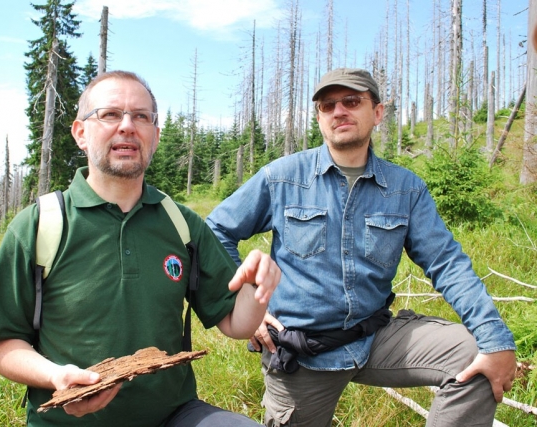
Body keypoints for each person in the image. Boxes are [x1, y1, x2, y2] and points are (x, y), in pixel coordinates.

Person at [0, 70, 281, 427]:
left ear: (156, 136)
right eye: (110, 114)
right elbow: (0, 344)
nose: (128, 126)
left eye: (142, 116)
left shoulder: (181, 224)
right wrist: (56, 376)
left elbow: (234, 323)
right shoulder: (40, 225)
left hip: (173, 415)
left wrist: (257, 286)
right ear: (81, 133)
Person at [206, 67, 517, 426]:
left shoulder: (405, 189)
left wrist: (496, 339)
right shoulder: (282, 177)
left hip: (374, 337)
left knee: (478, 352)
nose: (339, 111)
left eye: (352, 101)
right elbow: (215, 230)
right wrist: (247, 309)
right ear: (320, 118)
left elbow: (447, 263)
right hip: (302, 352)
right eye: (327, 105)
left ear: (378, 112)